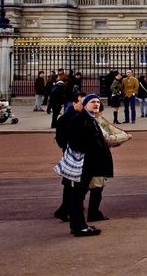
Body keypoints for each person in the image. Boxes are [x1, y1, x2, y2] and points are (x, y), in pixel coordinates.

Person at [66, 94, 113, 237]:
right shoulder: (81, 120)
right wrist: (92, 151)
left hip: (90, 162)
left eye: (98, 102)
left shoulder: (89, 119)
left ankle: (79, 225)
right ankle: (79, 227)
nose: (96, 104)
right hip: (85, 164)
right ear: (85, 105)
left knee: (79, 195)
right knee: (78, 195)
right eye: (92, 102)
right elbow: (76, 142)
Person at [52, 91, 84, 223]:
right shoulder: (65, 119)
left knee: (74, 184)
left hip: (80, 154)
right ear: (74, 103)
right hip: (71, 154)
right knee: (72, 184)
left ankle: (67, 209)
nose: (83, 106)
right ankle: (66, 210)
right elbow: (60, 140)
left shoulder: (83, 116)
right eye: (81, 103)